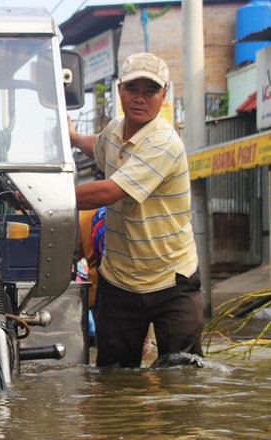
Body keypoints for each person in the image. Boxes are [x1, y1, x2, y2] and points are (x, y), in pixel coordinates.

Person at [68, 52, 204, 368]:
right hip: (120, 281)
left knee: (182, 378)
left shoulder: (163, 143)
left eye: (150, 91)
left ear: (164, 95)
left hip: (172, 278)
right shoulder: (114, 131)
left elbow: (109, 191)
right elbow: (98, 145)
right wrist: (74, 138)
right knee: (114, 380)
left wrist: (46, 199)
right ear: (120, 91)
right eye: (132, 89)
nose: (140, 99)